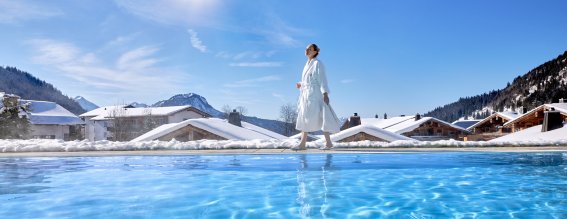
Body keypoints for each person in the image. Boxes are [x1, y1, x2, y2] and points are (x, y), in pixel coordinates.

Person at [294, 43, 341, 150]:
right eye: (306, 49)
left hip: (315, 94)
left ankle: (328, 143)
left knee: (323, 116)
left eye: (309, 49)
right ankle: (302, 144)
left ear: (315, 52)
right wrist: (301, 84)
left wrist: (325, 93)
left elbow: (322, 79)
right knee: (304, 117)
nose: (307, 51)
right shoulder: (307, 63)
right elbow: (309, 80)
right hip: (306, 95)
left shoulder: (318, 63)